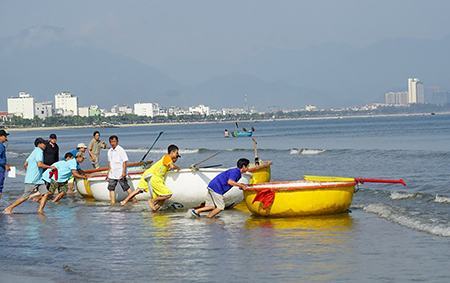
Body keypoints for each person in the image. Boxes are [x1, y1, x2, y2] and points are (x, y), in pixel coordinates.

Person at [120, 144, 181, 209]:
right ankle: (150, 201)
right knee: (139, 190)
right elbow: (172, 166)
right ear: (172, 152)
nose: (177, 157)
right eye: (176, 154)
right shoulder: (167, 157)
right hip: (151, 176)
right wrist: (178, 168)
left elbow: (168, 167)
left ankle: (154, 211)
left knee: (159, 199)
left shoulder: (167, 160)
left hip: (152, 176)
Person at [3, 138, 54, 214]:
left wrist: (30, 171)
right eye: (44, 143)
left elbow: (25, 164)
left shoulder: (34, 151)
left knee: (45, 193)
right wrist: (50, 167)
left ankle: (40, 210)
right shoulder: (39, 151)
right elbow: (39, 164)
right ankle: (9, 208)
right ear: (39, 144)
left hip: (38, 179)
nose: (45, 145)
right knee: (25, 196)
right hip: (33, 180)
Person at [107, 135, 133, 205]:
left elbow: (125, 161)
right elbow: (110, 162)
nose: (113, 143)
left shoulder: (120, 150)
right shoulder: (109, 151)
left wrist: (124, 172)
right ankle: (112, 203)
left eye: (114, 141)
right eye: (111, 142)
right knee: (111, 188)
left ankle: (134, 200)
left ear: (117, 142)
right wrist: (108, 173)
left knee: (126, 187)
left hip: (120, 172)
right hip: (112, 173)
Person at [0, 129, 11, 198]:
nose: (6, 138)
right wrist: (5, 165)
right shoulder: (0, 146)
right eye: (5, 136)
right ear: (0, 136)